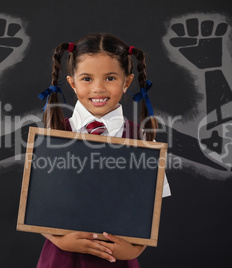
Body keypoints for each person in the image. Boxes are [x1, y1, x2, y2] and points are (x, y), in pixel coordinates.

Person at [36, 33, 171, 267]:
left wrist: (134, 249)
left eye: (110, 78)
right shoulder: (55, 132)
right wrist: (63, 241)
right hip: (62, 258)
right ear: (73, 83)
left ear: (127, 82)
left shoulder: (141, 139)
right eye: (87, 78)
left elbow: (149, 211)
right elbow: (38, 204)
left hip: (117, 260)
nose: (98, 88)